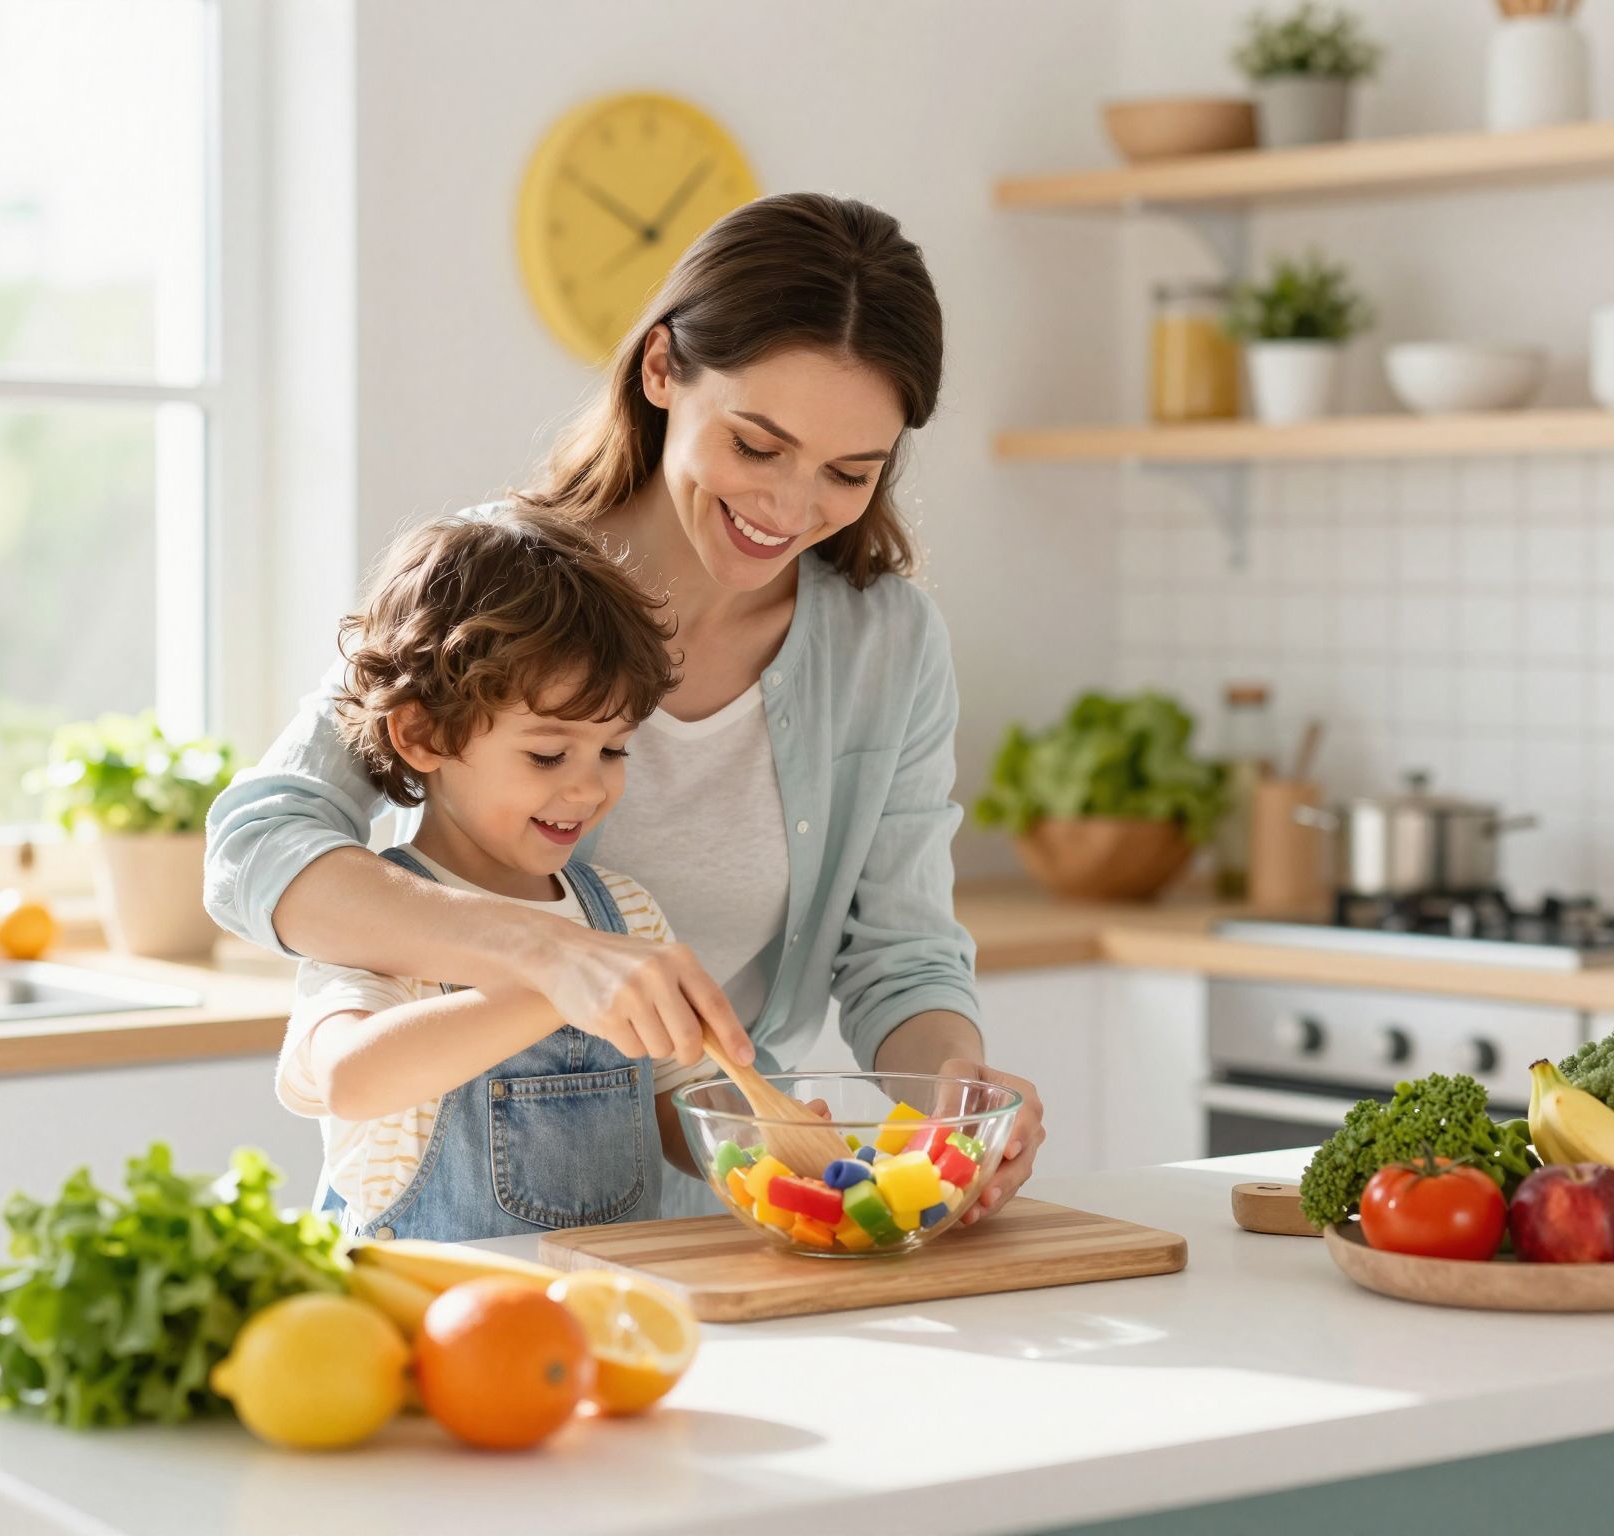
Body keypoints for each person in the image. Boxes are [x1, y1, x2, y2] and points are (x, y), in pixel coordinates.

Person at [207, 191, 1046, 1223]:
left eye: (848, 473)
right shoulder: (500, 588)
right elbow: (256, 845)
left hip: (709, 1215)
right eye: (755, 446)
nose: (788, 509)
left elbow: (901, 955)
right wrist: (544, 956)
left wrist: (953, 1090)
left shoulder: (888, 644)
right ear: (660, 372)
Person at [275, 508, 712, 1238]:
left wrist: (769, 1146)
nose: (588, 789)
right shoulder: (379, 920)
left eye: (613, 750)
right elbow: (348, 1077)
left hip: (603, 1330)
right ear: (423, 735)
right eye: (548, 755)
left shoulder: (627, 913)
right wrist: (557, 983)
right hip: (427, 1331)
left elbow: (682, 1103)